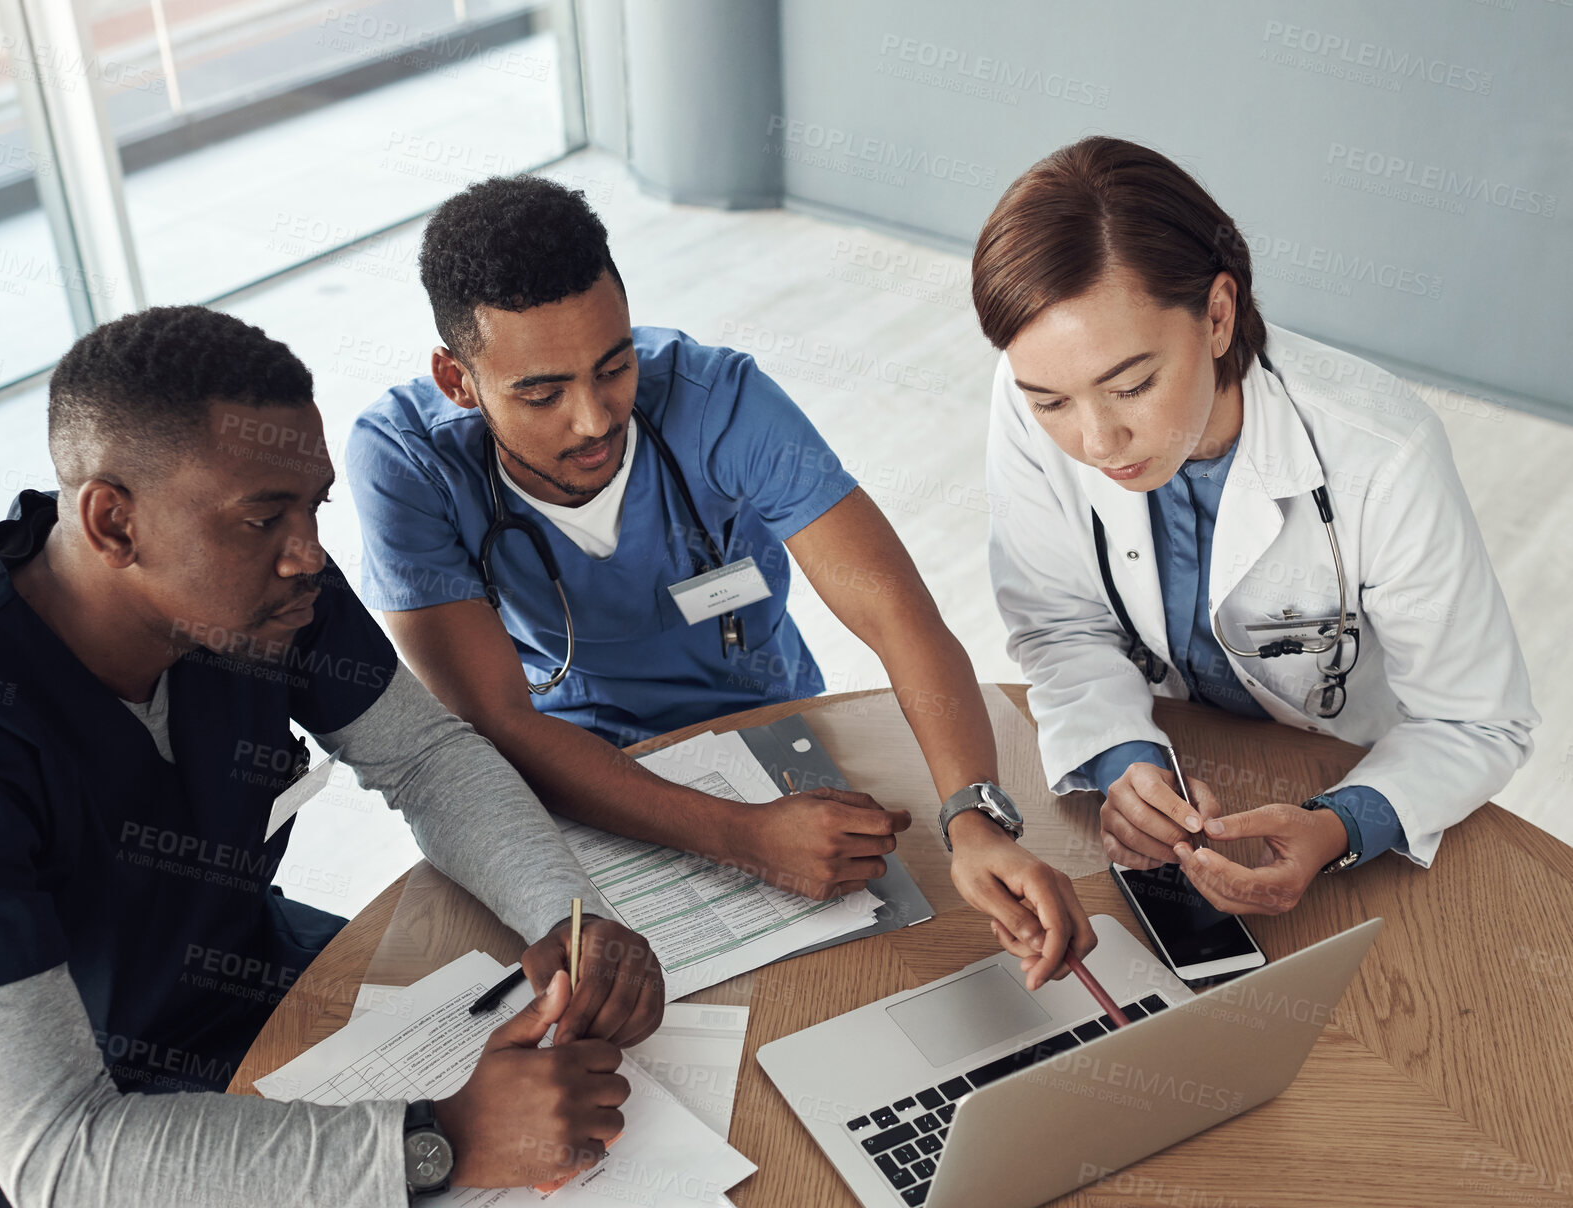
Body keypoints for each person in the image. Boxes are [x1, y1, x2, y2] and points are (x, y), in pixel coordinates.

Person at [0, 306, 663, 1208]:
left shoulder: (265, 582)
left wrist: (567, 917)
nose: (309, 554)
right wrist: (437, 1143)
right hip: (37, 1132)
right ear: (114, 524)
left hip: (247, 974)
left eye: (312, 506)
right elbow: (59, 1155)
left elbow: (425, 756)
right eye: (264, 518)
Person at [345, 174, 1093, 986]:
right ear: (457, 382)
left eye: (613, 366)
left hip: (771, 723)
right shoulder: (406, 461)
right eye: (541, 393)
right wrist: (742, 836)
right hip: (575, 766)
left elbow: (895, 614)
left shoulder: (719, 399)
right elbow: (496, 721)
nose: (594, 418)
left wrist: (973, 814)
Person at [971, 136, 1538, 916]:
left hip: (1344, 765)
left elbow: (1475, 721)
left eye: (1132, 385)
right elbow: (1059, 626)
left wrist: (1340, 823)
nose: (1094, 442)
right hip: (1176, 747)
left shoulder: (1381, 452)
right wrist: (1123, 761)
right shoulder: (1028, 384)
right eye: (1050, 404)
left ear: (1216, 314)